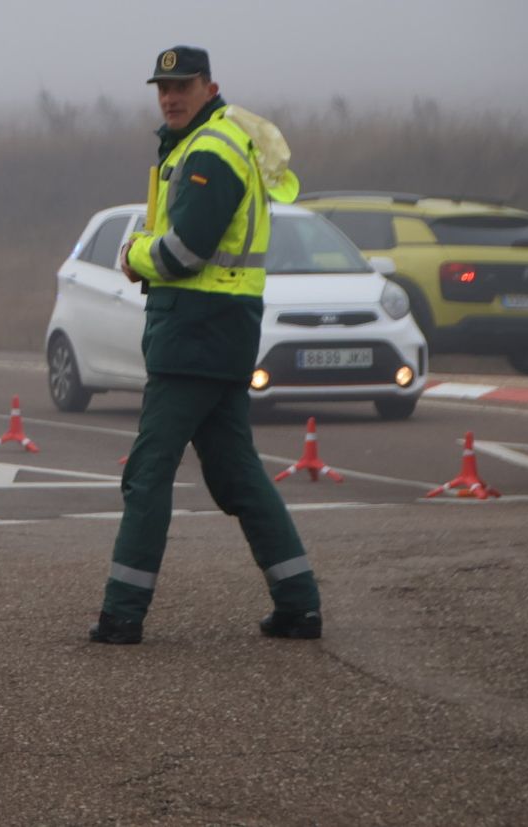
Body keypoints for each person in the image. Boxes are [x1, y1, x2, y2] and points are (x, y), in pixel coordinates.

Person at [90, 46, 322, 645]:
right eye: (162, 87)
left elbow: (184, 251)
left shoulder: (211, 151)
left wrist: (133, 256)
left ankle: (122, 614)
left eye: (182, 85)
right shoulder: (198, 144)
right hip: (215, 330)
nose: (170, 96)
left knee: (148, 472)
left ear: (209, 86)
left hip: (196, 331)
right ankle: (298, 604)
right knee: (235, 474)